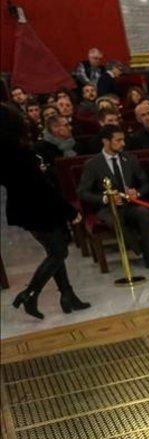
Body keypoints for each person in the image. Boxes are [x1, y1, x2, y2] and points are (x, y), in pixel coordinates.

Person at [2, 103, 90, 319]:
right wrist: (70, 211)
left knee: (54, 251)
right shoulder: (18, 150)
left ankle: (67, 295)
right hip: (39, 207)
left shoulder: (6, 149)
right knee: (59, 251)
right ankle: (30, 293)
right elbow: (41, 187)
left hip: (26, 207)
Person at [77, 124, 149, 270]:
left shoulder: (130, 159)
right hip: (107, 208)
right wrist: (106, 198)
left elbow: (145, 183)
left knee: (143, 212)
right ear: (106, 141)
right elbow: (82, 192)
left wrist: (136, 193)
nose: (123, 144)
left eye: (123, 140)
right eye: (118, 140)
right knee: (114, 220)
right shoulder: (92, 164)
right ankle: (142, 250)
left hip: (130, 204)